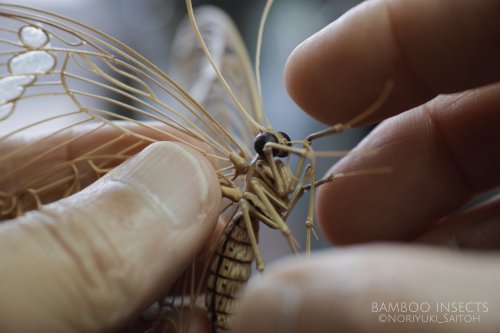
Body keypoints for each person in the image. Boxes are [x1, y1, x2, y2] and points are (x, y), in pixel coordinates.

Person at [0, 0, 498, 332]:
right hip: (225, 258)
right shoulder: (246, 171)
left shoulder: (280, 167)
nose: (284, 152)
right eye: (274, 149)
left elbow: (302, 176)